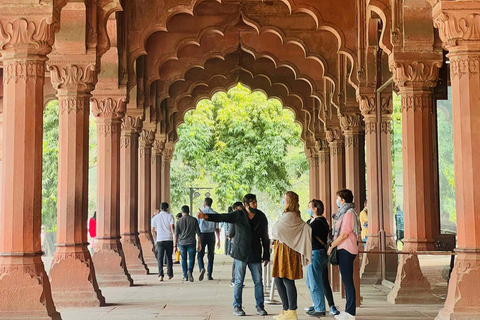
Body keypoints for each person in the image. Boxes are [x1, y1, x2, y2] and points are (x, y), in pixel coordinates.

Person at [198, 194, 269, 317]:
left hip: (255, 253)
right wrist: (206, 216)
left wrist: (266, 254)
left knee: (258, 281)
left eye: (256, 202)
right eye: (253, 203)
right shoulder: (238, 215)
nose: (256, 205)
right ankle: (237, 306)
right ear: (246, 205)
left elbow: (265, 237)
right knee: (239, 281)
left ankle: (260, 306)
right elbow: (222, 217)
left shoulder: (261, 216)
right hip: (240, 253)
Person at [271, 191, 312, 320]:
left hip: (287, 251)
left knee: (287, 279)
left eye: (284, 199)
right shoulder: (290, 215)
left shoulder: (291, 215)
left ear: (289, 201)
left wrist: (275, 232)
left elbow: (277, 230)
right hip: (282, 249)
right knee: (279, 278)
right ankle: (286, 308)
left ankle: (292, 310)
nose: (283, 201)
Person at [328, 189, 360, 320]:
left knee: (347, 281)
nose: (337, 201)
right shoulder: (346, 213)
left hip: (346, 249)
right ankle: (348, 310)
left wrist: (332, 246)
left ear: (343, 200)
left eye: (338, 199)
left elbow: (344, 234)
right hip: (344, 248)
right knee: (346, 280)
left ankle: (350, 313)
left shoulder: (348, 214)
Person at [305, 199, 340, 317]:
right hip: (320, 253)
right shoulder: (320, 221)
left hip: (315, 253)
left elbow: (306, 234)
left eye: (309, 207)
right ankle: (318, 304)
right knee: (317, 281)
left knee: (315, 282)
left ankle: (319, 308)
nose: (308, 209)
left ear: (315, 209)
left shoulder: (317, 223)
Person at [175, 205, 202, 282]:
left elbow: (176, 235)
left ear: (181, 212)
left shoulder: (179, 221)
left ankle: (185, 275)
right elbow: (198, 233)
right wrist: (200, 243)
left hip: (182, 243)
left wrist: (175, 245)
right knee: (191, 258)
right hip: (192, 242)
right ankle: (190, 270)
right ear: (188, 211)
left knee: (183, 259)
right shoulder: (194, 220)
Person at [197, 197, 221, 281]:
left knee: (200, 254)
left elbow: (197, 226)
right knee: (211, 255)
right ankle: (209, 274)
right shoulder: (215, 214)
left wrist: (198, 237)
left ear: (205, 203)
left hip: (202, 234)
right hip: (211, 235)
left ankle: (201, 268)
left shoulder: (201, 213)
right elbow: (217, 228)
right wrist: (218, 240)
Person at [151, 202, 175, 282]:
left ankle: (160, 275)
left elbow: (153, 230)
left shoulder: (155, 218)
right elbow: (172, 229)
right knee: (169, 257)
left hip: (160, 239)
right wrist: (174, 238)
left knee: (160, 258)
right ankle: (169, 274)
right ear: (167, 208)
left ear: (160, 208)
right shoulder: (170, 216)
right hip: (168, 239)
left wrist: (156, 239)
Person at [229, 201, 244, 287]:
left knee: (238, 261)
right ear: (236, 208)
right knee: (236, 261)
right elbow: (231, 231)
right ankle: (234, 279)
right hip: (236, 242)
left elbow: (231, 232)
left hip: (235, 241)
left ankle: (237, 279)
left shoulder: (234, 217)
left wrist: (230, 235)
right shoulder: (235, 216)